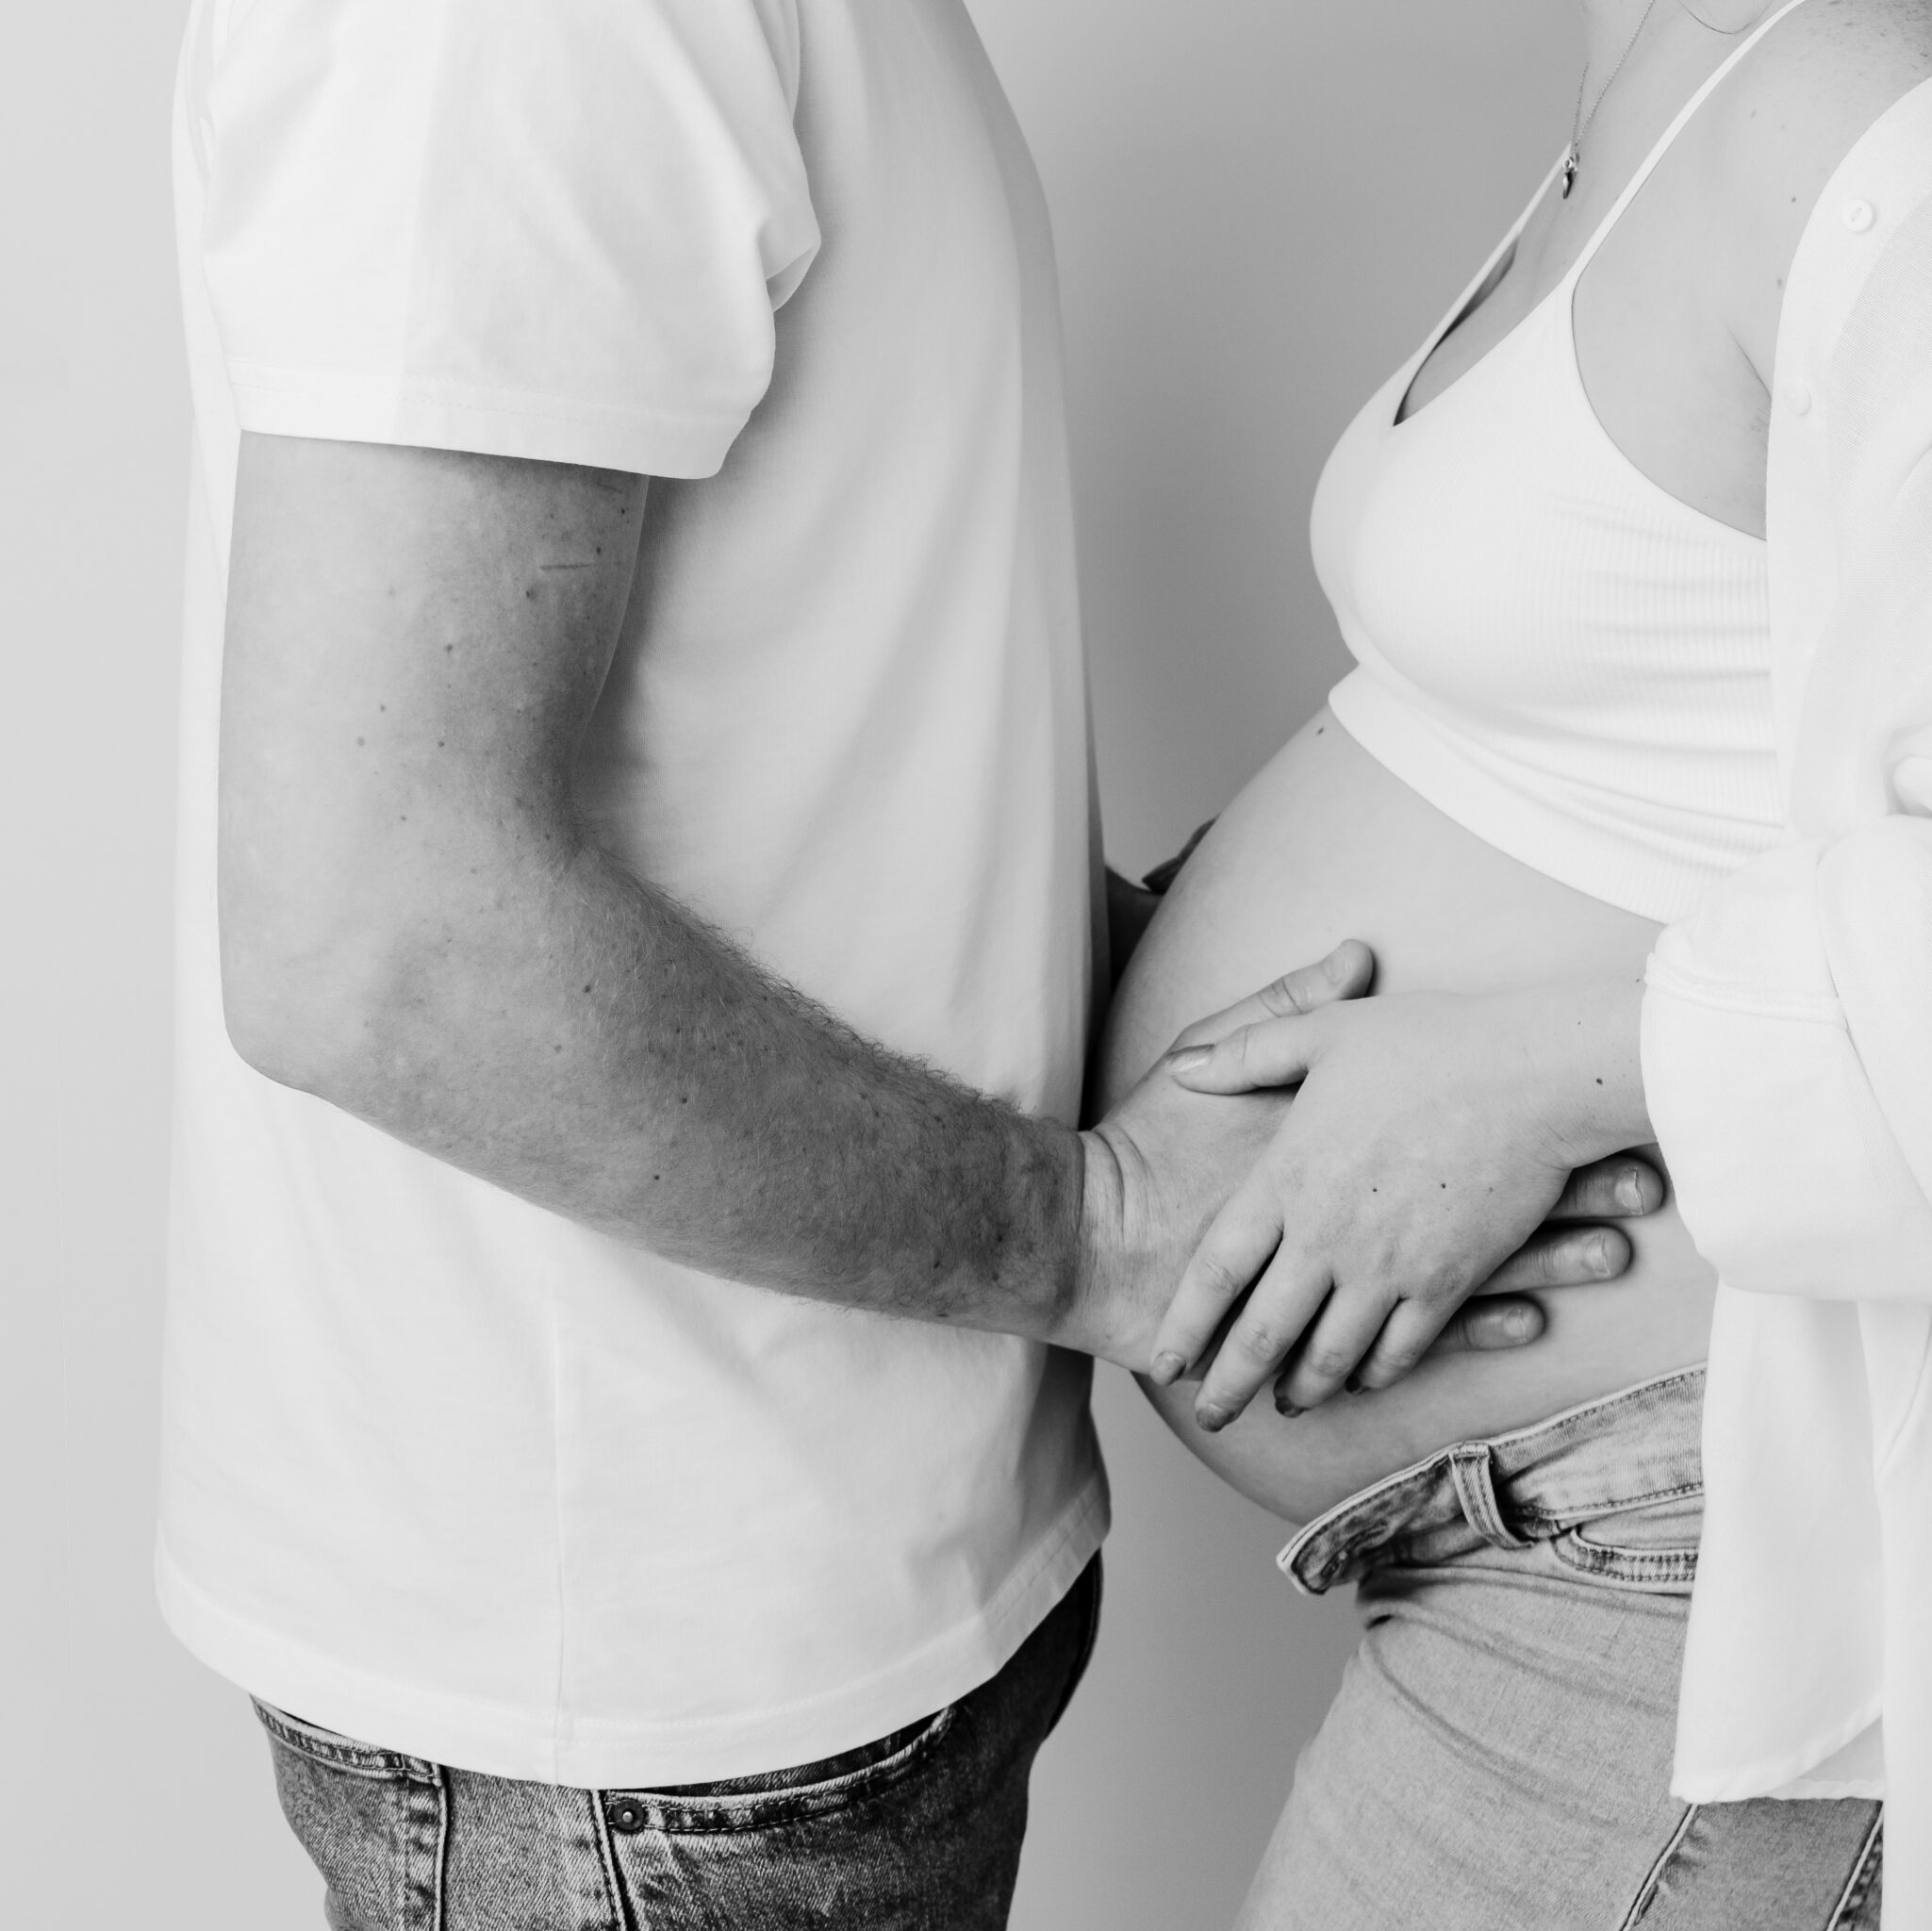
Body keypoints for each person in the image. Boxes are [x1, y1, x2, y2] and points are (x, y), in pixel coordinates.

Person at [158, 2, 1655, 1924]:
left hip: (809, 1614)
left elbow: (785, 700)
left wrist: (1212, 947)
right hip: (642, 1691)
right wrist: (1098, 1229)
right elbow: (379, 939)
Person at [1099, 1, 1932, 1926]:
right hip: (1584, 1544)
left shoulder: (1849, 91)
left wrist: (1528, 1078)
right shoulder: (1686, 80)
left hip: (1696, 1570)